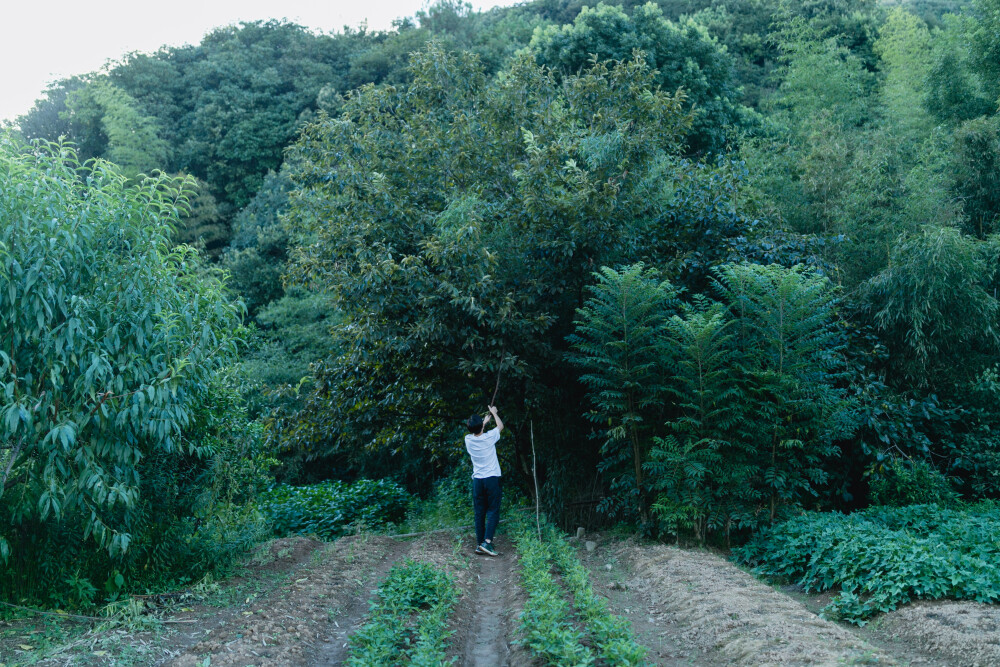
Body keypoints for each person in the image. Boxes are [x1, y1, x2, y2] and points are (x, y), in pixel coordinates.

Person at [465, 404, 504, 556]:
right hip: (492, 479)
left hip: (478, 482)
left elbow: (476, 432)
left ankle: (479, 543)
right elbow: (500, 426)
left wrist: (483, 423)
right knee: (493, 510)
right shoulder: (489, 437)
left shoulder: (468, 439)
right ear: (481, 426)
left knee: (479, 512)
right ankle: (487, 543)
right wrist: (494, 413)